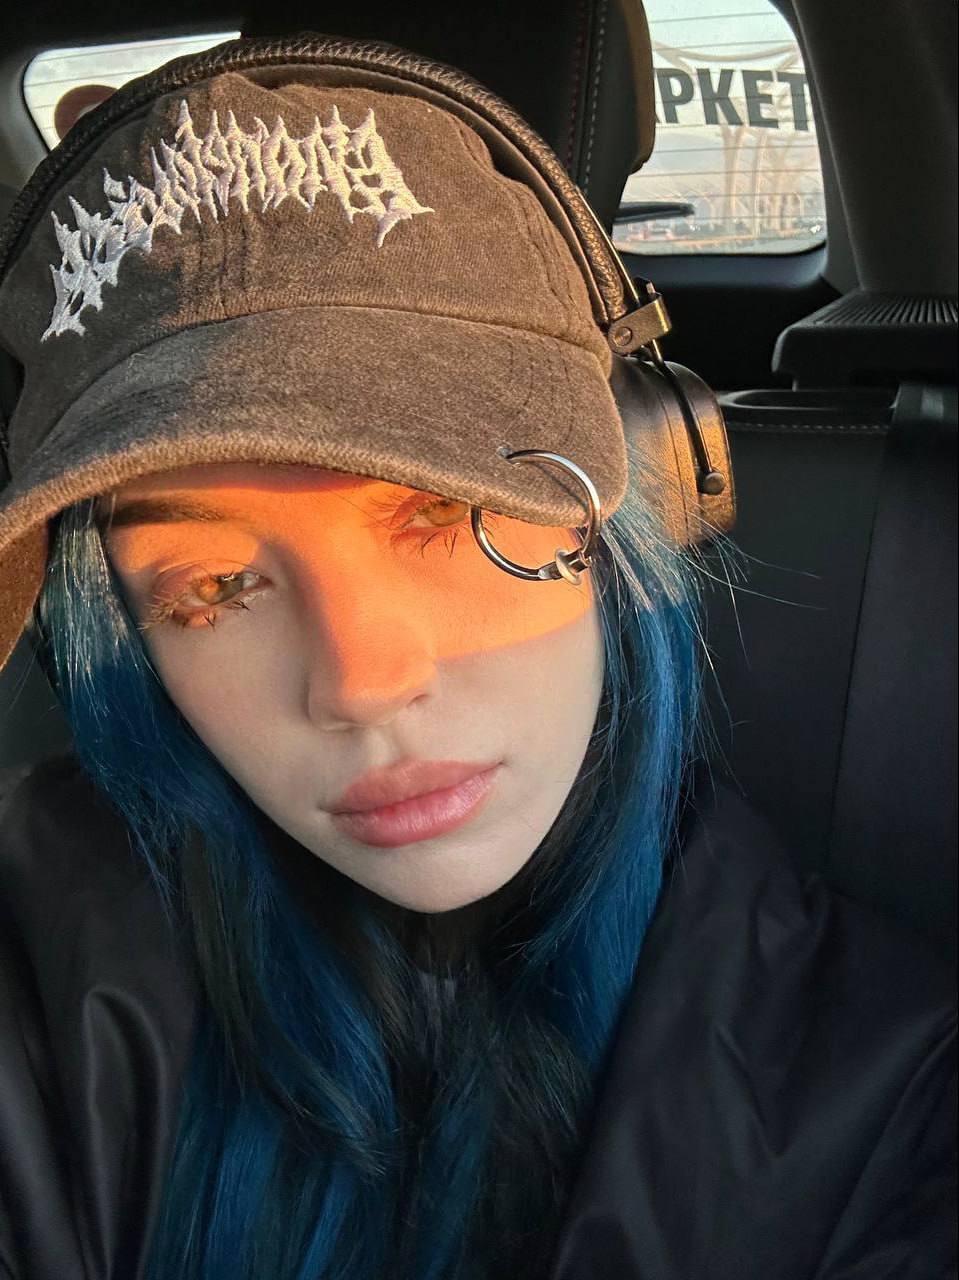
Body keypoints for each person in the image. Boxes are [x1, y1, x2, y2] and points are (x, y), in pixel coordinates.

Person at [0, 37, 954, 1280]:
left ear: (638, 490)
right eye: (215, 586)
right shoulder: (44, 976)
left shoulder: (890, 1093)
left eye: (444, 507)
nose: (361, 682)